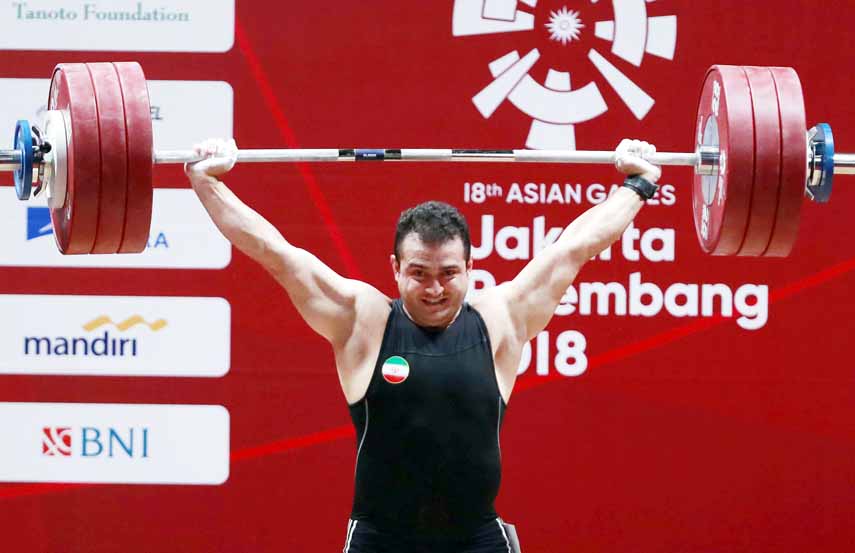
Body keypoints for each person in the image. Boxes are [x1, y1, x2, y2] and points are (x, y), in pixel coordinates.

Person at [185, 139, 662, 553]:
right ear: (395, 268)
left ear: (470, 267)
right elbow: (277, 254)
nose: (435, 288)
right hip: (381, 539)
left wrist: (638, 184)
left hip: (475, 539)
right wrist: (208, 181)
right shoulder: (362, 321)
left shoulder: (500, 319)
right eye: (419, 273)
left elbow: (573, 247)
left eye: (449, 274)